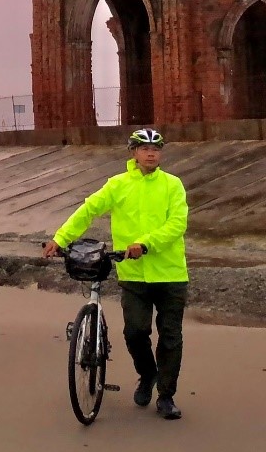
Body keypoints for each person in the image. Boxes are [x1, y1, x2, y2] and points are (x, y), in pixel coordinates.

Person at [42, 128, 189, 420]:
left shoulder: (173, 185)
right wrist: (60, 238)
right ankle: (148, 375)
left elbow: (177, 224)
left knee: (170, 336)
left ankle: (166, 396)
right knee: (135, 332)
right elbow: (89, 209)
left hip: (171, 274)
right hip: (133, 275)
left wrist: (144, 244)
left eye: (156, 149)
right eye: (145, 149)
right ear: (133, 152)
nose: (151, 154)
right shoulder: (118, 185)